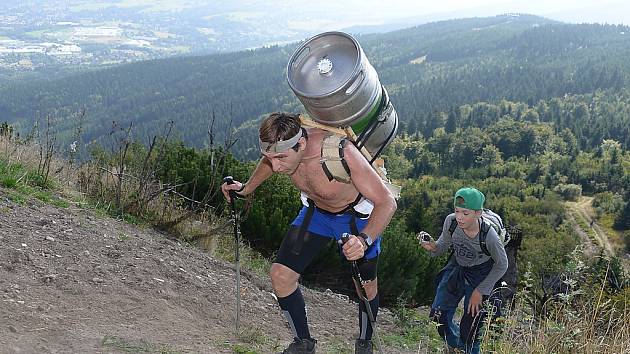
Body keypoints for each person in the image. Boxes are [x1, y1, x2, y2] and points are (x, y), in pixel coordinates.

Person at [221, 112, 397, 354]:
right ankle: (303, 343)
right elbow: (270, 163)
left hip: (356, 220)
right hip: (316, 215)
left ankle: (365, 341)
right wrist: (245, 189)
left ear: (301, 144)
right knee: (281, 275)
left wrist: (364, 241)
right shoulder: (283, 151)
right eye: (269, 157)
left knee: (365, 287)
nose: (275, 166)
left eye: (281, 158)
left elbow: (387, 202)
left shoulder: (340, 152)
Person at [418, 187, 508, 354]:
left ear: (478, 213)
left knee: (471, 329)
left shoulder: (489, 235)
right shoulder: (451, 222)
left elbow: (502, 264)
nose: (459, 217)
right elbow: (441, 246)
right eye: (456, 210)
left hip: (482, 273)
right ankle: (457, 345)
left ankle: (469, 347)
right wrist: (432, 247)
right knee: (438, 315)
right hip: (458, 266)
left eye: (465, 213)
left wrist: (480, 291)